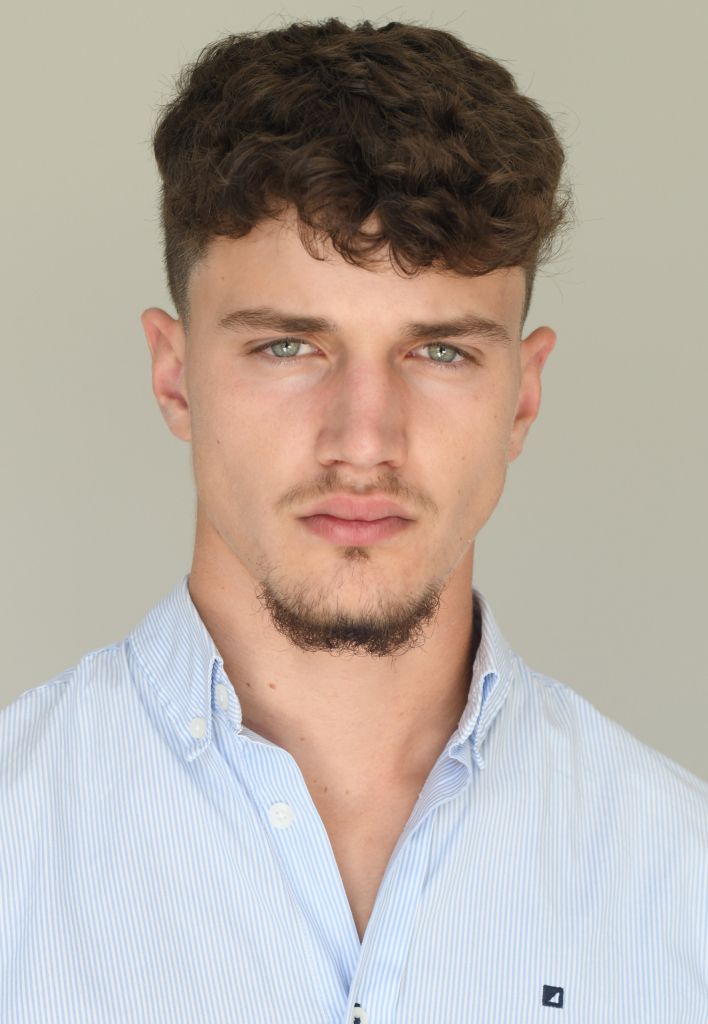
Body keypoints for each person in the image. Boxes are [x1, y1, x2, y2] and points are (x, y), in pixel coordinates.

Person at [1, 17, 706, 1024]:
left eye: (441, 352)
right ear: (174, 375)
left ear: (523, 395)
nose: (364, 440)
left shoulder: (681, 879)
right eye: (288, 347)